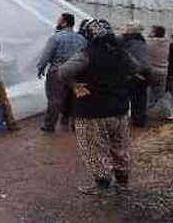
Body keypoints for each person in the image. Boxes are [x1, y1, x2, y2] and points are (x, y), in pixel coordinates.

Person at [58, 19, 140, 195]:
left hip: (92, 111)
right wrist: (119, 82)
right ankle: (122, 183)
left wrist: (74, 85)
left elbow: (63, 72)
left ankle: (102, 185)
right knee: (120, 146)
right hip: (119, 110)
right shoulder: (121, 53)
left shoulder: (86, 54)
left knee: (94, 147)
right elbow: (136, 68)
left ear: (89, 35)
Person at [37, 13, 87, 132]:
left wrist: (41, 68)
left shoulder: (56, 37)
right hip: (77, 72)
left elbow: (47, 55)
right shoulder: (81, 39)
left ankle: (49, 125)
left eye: (59, 21)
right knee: (78, 98)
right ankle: (76, 124)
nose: (57, 23)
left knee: (54, 99)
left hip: (57, 72)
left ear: (64, 23)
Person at [118, 22, 151, 127]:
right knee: (140, 98)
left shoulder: (123, 39)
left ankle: (122, 121)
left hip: (132, 72)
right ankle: (140, 120)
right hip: (146, 71)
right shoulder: (143, 40)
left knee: (124, 96)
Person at [147, 26, 172, 119]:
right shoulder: (167, 43)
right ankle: (167, 113)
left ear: (154, 33)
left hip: (152, 71)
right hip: (163, 72)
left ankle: (146, 111)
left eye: (151, 31)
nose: (149, 32)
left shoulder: (150, 43)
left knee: (147, 91)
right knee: (161, 94)